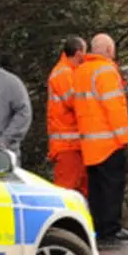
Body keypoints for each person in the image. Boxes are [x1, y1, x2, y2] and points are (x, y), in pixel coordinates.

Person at [73, 33, 128, 243]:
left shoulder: (81, 71)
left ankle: (98, 227)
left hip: (89, 143)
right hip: (108, 142)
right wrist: (124, 137)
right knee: (112, 187)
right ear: (109, 51)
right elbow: (114, 108)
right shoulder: (106, 70)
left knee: (96, 189)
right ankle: (112, 228)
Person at [46, 36, 88, 196]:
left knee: (78, 190)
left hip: (72, 143)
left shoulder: (67, 71)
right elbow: (76, 102)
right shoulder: (64, 73)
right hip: (67, 145)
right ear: (78, 54)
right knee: (66, 192)